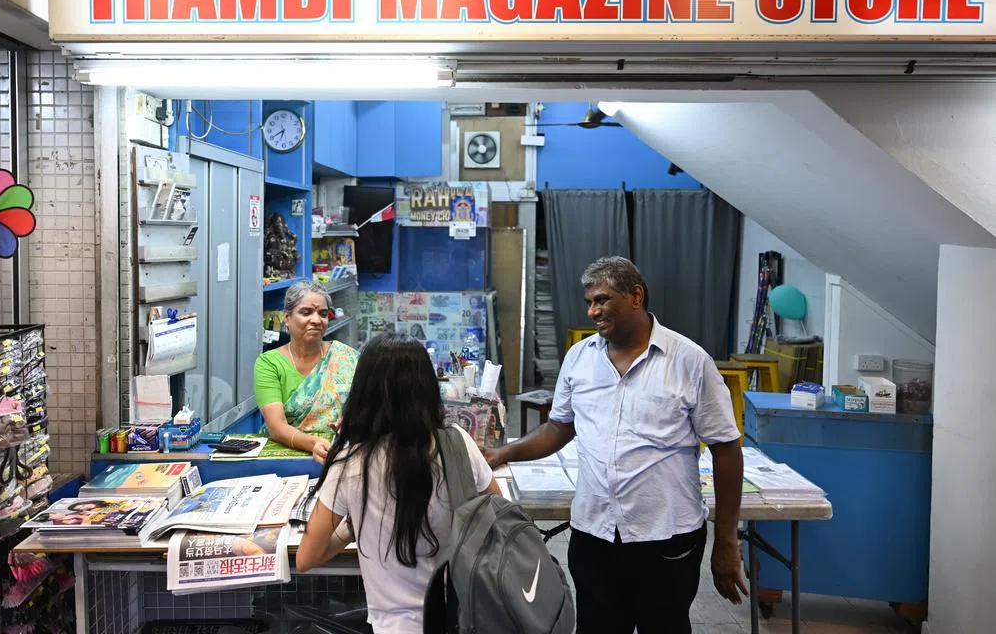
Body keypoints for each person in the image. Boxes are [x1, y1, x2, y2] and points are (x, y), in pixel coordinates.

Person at [484, 256, 747, 634]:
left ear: (636, 296)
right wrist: (501, 453)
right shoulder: (579, 358)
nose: (593, 311)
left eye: (602, 300)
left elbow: (726, 449)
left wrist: (726, 542)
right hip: (595, 537)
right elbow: (559, 427)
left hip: (666, 538)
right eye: (589, 301)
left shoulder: (689, 361)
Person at [296, 333, 501, 634]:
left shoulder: (352, 462)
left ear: (364, 391)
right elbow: (499, 514)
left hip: (394, 626)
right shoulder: (458, 443)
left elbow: (306, 558)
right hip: (463, 616)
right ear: (428, 388)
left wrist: (352, 527)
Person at [254, 281, 358, 463]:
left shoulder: (346, 357)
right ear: (287, 317)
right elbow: (277, 426)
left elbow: (369, 408)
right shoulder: (269, 363)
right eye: (306, 312)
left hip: (342, 455)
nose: (317, 320)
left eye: (323, 314)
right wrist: (314, 443)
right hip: (288, 458)